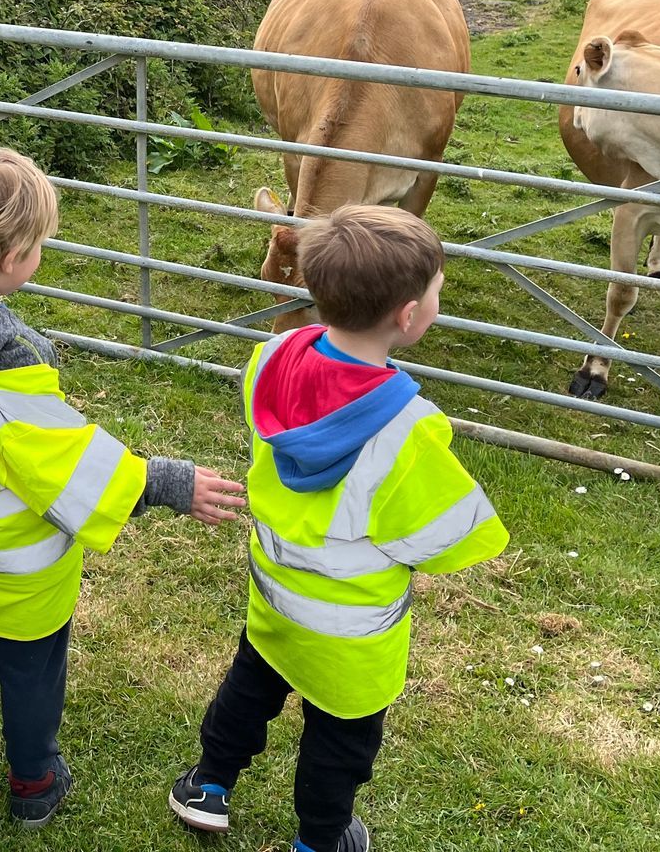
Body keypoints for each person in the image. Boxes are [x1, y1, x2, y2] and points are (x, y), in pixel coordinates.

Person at [0, 144, 244, 827]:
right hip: (24, 570)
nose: (40, 256)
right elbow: (62, 462)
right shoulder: (10, 352)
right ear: (10, 258)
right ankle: (33, 784)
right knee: (31, 674)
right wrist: (167, 481)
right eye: (39, 246)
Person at [166, 205, 508, 852]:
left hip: (275, 594)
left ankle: (207, 785)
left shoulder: (268, 361)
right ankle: (322, 838)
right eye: (437, 290)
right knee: (341, 734)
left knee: (250, 686)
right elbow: (444, 536)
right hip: (353, 631)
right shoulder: (409, 431)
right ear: (409, 316)